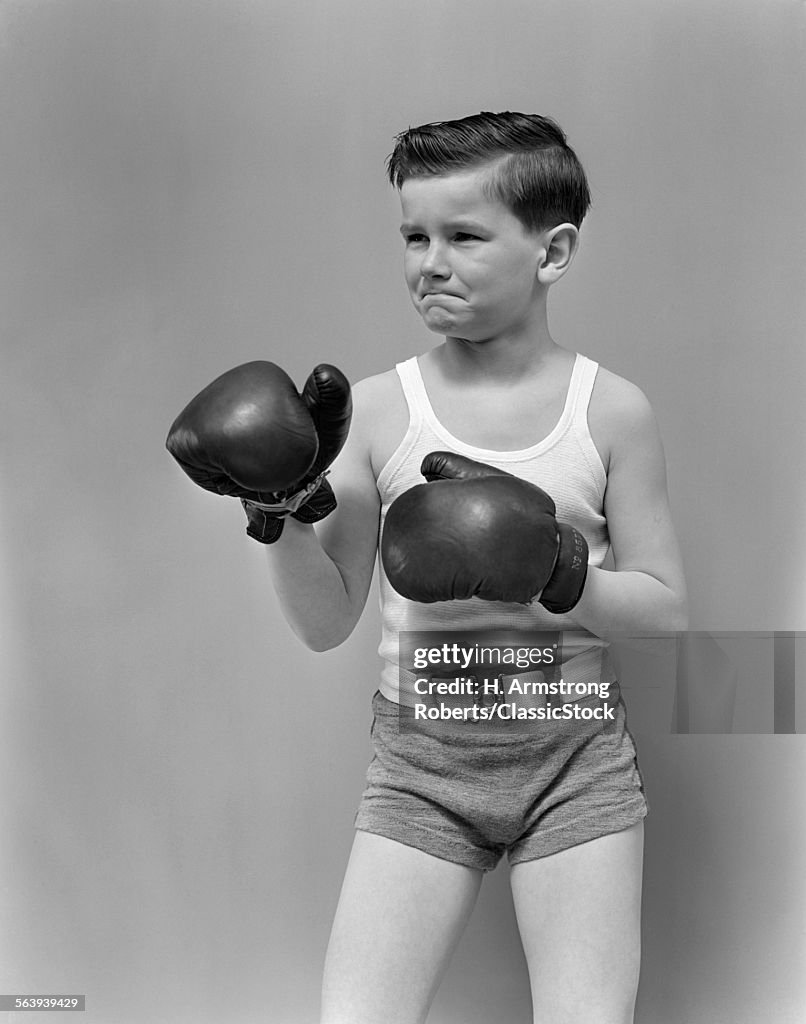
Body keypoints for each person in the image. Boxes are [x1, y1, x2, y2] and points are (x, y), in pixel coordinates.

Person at [167, 111, 688, 1024]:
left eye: (463, 236)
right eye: (413, 235)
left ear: (552, 251)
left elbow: (665, 613)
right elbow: (329, 623)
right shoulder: (374, 412)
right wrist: (279, 515)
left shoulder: (610, 411)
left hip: (574, 764)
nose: (429, 262)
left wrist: (557, 571)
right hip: (419, 767)